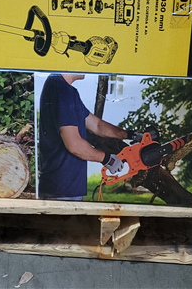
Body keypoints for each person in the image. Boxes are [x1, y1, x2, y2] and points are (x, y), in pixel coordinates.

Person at [38, 72, 145, 200]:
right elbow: (74, 145)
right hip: (61, 191)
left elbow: (97, 125)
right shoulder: (61, 91)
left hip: (66, 189)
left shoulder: (66, 90)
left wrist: (129, 134)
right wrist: (107, 159)